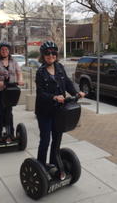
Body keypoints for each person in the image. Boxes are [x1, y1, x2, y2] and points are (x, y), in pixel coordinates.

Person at [35, 41, 85, 180]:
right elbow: (40, 93)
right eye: (47, 53)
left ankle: (53, 163)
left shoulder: (60, 67)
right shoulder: (40, 72)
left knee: (57, 139)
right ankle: (40, 166)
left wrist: (77, 92)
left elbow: (68, 83)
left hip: (59, 111)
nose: (50, 55)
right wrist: (54, 97)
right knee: (45, 140)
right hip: (45, 112)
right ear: (43, 56)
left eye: (53, 53)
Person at [0, 42, 24, 143]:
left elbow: (19, 72)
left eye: (6, 50)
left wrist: (20, 80)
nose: (4, 51)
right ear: (0, 51)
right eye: (2, 50)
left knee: (9, 112)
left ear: (9, 51)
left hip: (10, 90)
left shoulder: (14, 61)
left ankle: (10, 134)